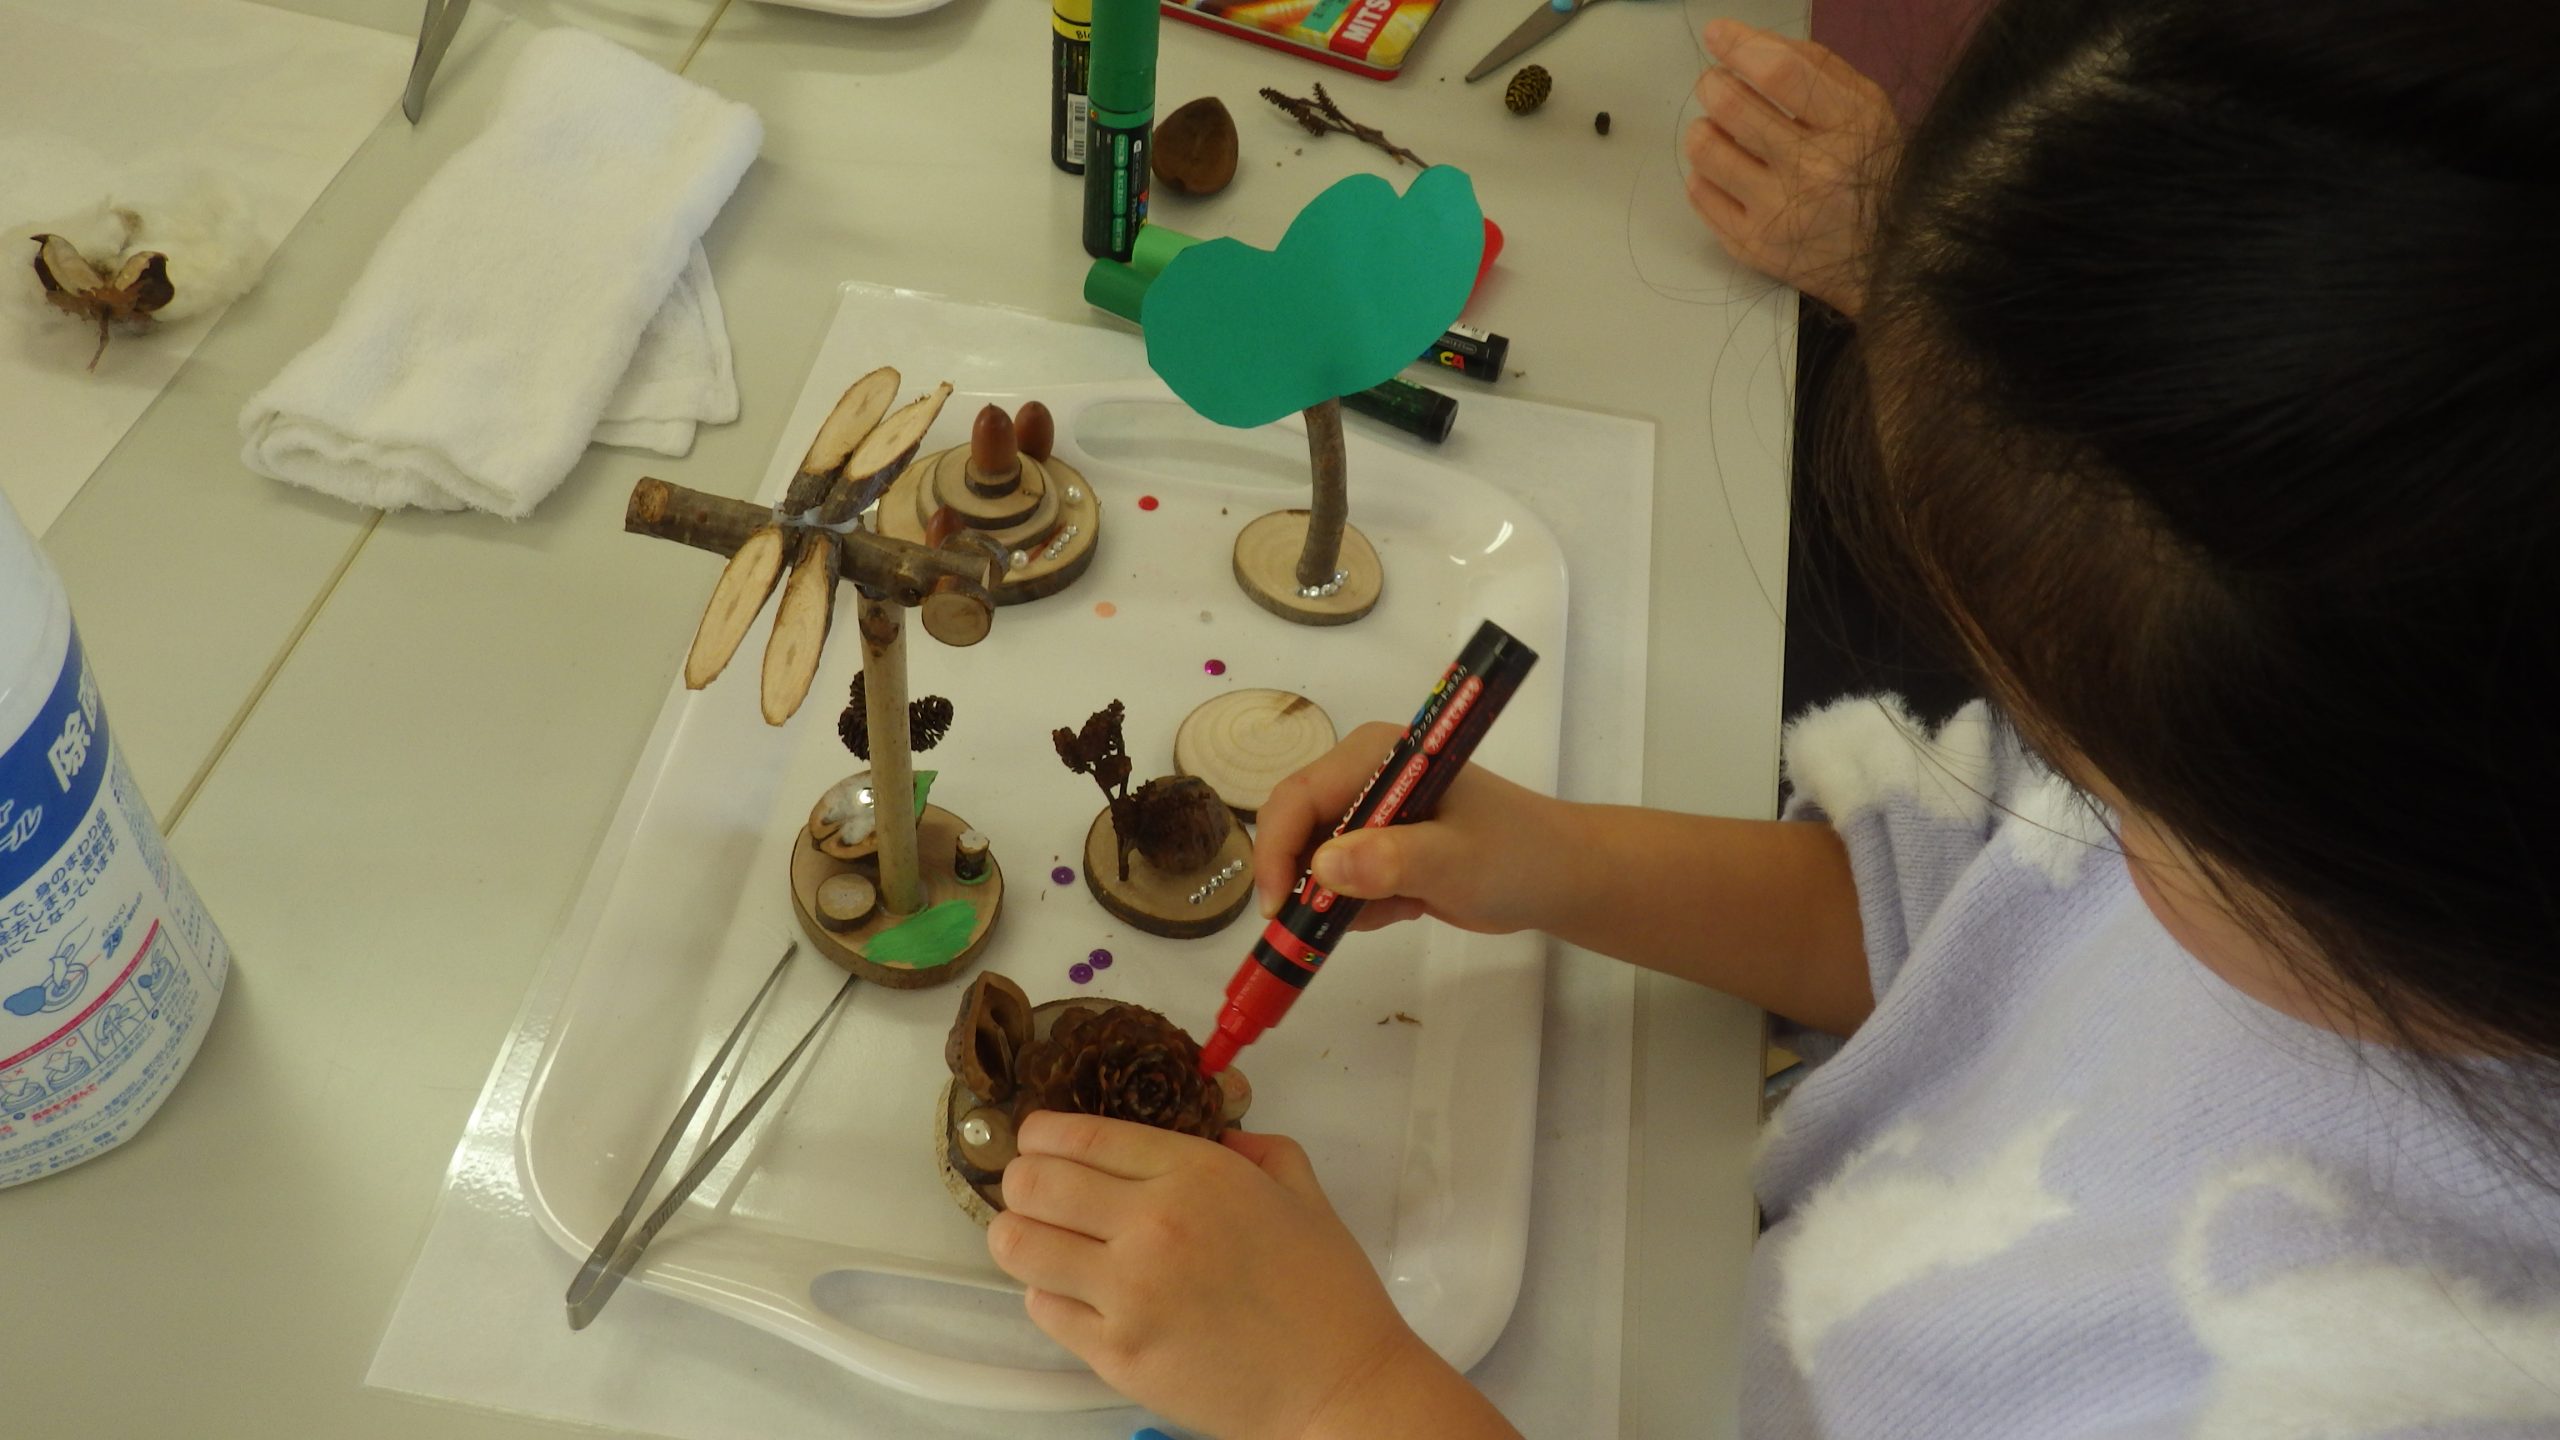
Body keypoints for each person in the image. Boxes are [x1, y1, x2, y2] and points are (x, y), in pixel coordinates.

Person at [984, 0, 2560, 1434]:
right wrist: (1553, 860)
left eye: (2093, 779)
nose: (2058, 803)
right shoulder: (2298, 798)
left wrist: (1337, 1394)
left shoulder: (2384, 1378)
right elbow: (1967, 921)